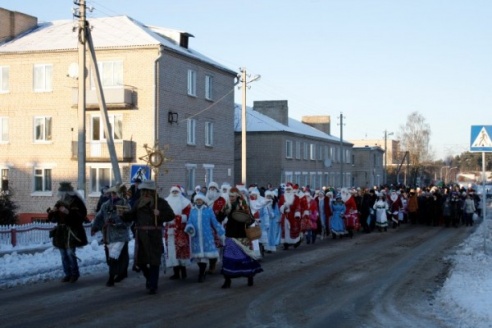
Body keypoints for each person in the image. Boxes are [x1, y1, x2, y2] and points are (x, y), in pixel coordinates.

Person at [122, 180, 174, 295]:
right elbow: (131, 216)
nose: (145, 193)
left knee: (154, 261)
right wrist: (123, 214)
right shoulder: (138, 202)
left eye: (147, 191)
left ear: (152, 191)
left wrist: (159, 214)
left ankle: (153, 285)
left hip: (154, 235)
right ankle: (149, 278)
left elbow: (171, 215)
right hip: (141, 236)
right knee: (141, 261)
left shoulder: (159, 203)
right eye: (143, 191)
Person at [219, 187, 263, 288]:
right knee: (227, 258)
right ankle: (227, 280)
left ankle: (249, 276)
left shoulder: (244, 205)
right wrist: (221, 212)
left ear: (237, 196)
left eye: (233, 196)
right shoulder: (227, 205)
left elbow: (251, 220)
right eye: (229, 196)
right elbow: (219, 218)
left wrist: (244, 218)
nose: (231, 198)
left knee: (244, 257)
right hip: (230, 235)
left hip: (242, 235)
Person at [91, 184, 132, 286]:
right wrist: (95, 227)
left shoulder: (124, 205)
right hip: (109, 235)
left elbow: (129, 221)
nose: (112, 195)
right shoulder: (106, 205)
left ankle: (112, 278)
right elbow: (99, 217)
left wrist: (116, 222)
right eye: (111, 193)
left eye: (114, 193)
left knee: (115, 256)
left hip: (121, 235)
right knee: (113, 257)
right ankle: (119, 273)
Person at [47, 181, 88, 283]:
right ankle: (67, 273)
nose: (61, 195)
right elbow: (53, 219)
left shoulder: (76, 201)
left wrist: (68, 212)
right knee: (63, 253)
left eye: (62, 193)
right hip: (61, 231)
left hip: (72, 230)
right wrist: (52, 213)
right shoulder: (60, 202)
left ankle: (74, 274)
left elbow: (81, 215)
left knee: (70, 252)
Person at [184, 193, 225, 283]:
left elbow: (215, 222)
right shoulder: (192, 211)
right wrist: (189, 228)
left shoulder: (208, 210)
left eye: (200, 200)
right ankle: (202, 271)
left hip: (206, 237)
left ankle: (201, 274)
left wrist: (221, 233)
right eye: (197, 200)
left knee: (204, 257)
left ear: (203, 201)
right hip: (196, 237)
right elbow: (189, 221)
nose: (198, 201)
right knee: (198, 257)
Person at [164, 185, 192, 280]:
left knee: (181, 249)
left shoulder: (185, 202)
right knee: (172, 250)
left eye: (176, 192)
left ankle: (183, 271)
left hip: (181, 230)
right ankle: (176, 271)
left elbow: (188, 215)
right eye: (173, 192)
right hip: (170, 230)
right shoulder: (166, 201)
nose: (175, 194)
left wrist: (177, 219)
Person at [206, 181, 227, 274]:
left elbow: (225, 212)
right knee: (210, 245)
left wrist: (222, 219)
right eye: (210, 188)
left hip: (218, 225)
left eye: (214, 188)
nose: (212, 190)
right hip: (207, 226)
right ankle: (211, 264)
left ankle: (222, 263)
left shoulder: (221, 200)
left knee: (219, 245)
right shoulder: (205, 199)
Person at [278, 182, 302, 250]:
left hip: (293, 216)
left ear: (291, 190)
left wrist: (297, 214)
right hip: (285, 215)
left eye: (289, 190)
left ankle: (296, 241)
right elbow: (279, 205)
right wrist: (283, 207)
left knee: (293, 229)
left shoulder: (296, 197)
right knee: (284, 229)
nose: (288, 191)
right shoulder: (282, 197)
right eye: (287, 190)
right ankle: (286, 244)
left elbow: (298, 206)